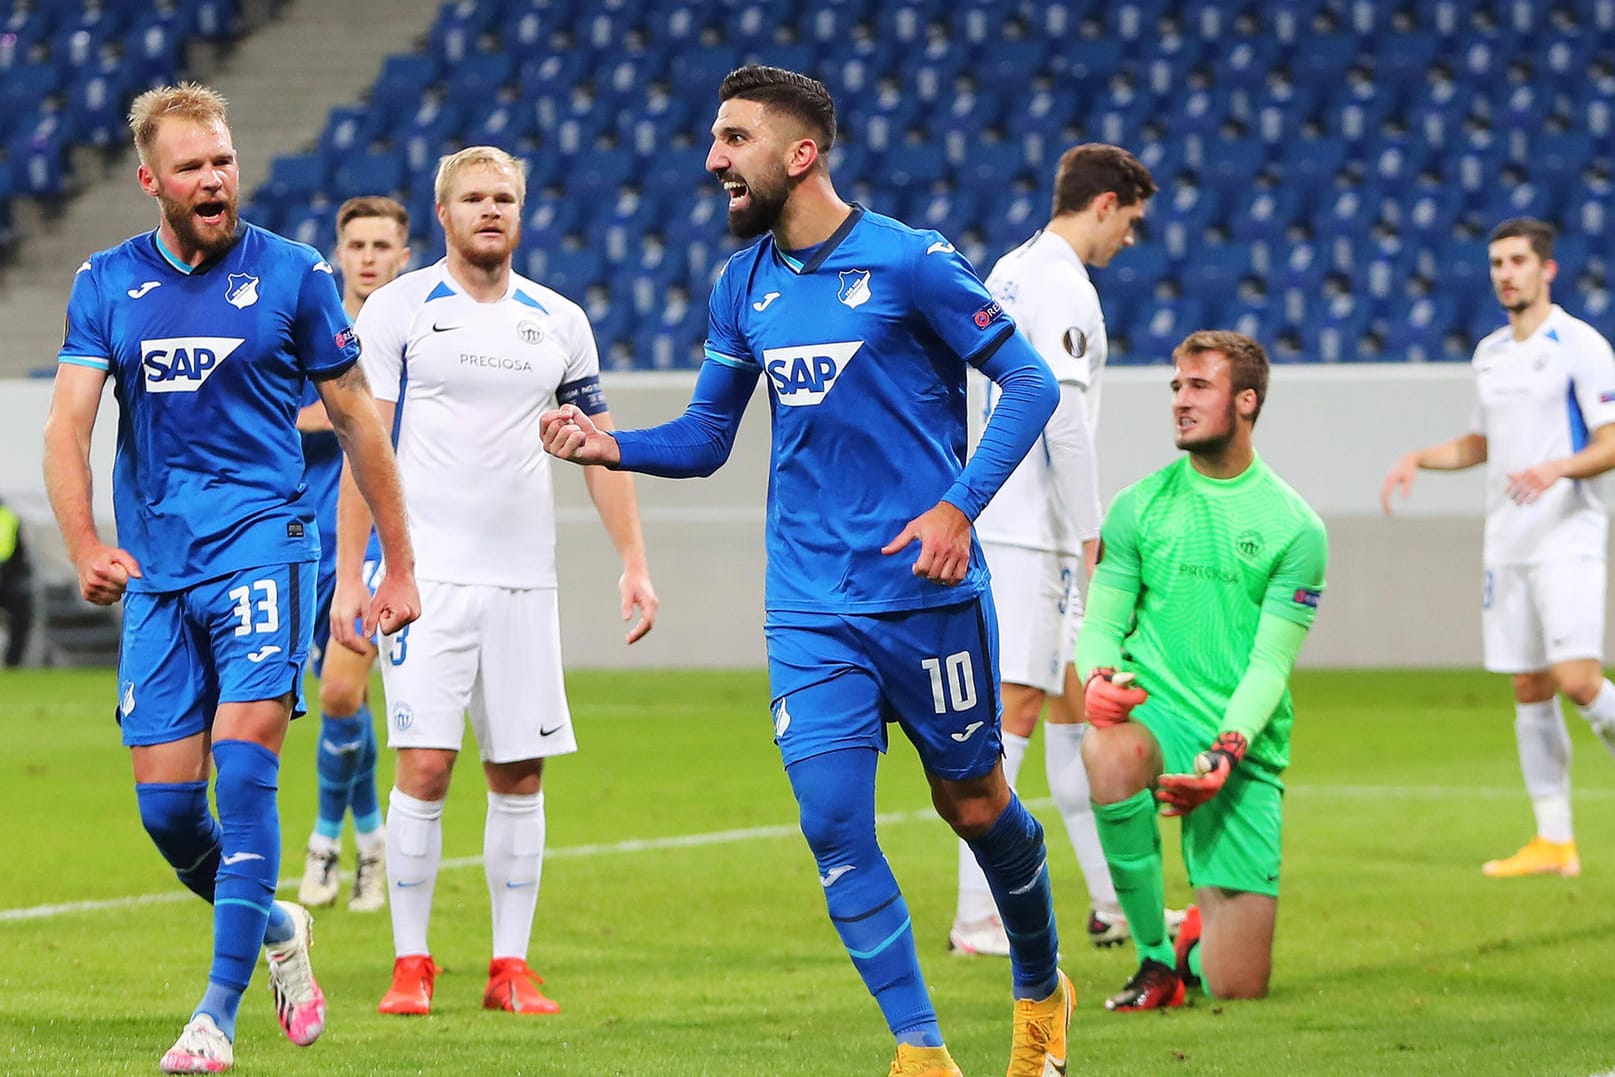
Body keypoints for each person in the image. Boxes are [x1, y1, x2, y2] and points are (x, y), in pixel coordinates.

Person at [540, 66, 1070, 1077]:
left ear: (800, 153)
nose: (712, 162)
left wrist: (959, 505)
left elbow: (1029, 383)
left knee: (976, 810)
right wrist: (609, 445)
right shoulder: (742, 286)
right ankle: (921, 1052)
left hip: (924, 598)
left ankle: (1041, 992)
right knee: (833, 826)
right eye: (713, 140)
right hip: (809, 607)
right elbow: (705, 437)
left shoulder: (911, 263)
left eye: (732, 140)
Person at [41, 83, 419, 1072]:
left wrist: (400, 562)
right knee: (167, 808)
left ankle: (215, 1016)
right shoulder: (105, 284)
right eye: (192, 167)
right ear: (151, 180)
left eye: (223, 161)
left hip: (263, 547)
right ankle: (277, 921)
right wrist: (85, 543)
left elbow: (358, 421)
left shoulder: (293, 275)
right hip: (159, 572)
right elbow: (68, 427)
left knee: (244, 771)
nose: (214, 180)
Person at [333, 145, 658, 1019]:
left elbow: (599, 447)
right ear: (441, 214)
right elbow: (364, 448)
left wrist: (633, 561)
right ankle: (412, 963)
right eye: (473, 197)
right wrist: (351, 576)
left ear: (521, 211)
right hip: (423, 579)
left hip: (523, 579)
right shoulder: (400, 308)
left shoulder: (558, 319)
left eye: (503, 197)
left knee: (519, 773)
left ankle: (509, 966)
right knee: (427, 767)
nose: (490, 209)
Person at [952, 143, 1168, 958]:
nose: (1128, 241)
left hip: (1002, 516)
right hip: (1029, 528)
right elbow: (1061, 421)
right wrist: (1089, 531)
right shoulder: (1064, 287)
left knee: (1078, 707)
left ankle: (1114, 901)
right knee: (1009, 713)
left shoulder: (1010, 269)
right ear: (1105, 203)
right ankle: (976, 918)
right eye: (1131, 222)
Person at [1077, 330, 1327, 1010]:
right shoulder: (1137, 507)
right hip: (1155, 715)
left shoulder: (1295, 528)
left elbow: (1269, 662)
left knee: (1238, 988)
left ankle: (1192, 943)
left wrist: (1227, 749)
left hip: (1239, 748)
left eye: (1198, 387)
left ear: (1245, 401)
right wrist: (1098, 678)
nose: (1179, 402)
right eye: (1176, 387)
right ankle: (1155, 959)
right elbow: (1100, 621)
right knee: (1103, 746)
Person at [1383, 217, 1615, 878]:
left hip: (1567, 535)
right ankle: (1553, 840)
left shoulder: (1578, 344)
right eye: (1495, 263)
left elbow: (1609, 439)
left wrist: (1555, 468)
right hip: (1506, 542)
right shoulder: (1489, 352)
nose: (1504, 273)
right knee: (1527, 683)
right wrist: (1417, 458)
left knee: (1577, 680)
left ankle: (1555, 836)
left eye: (1516, 260)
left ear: (1547, 269)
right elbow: (1478, 444)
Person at [295, 196, 413, 913]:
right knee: (345, 706)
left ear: (404, 254)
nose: (368, 256)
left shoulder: (411, 331)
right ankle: (372, 840)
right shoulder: (309, 325)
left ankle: (322, 843)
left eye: (382, 244)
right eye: (357, 243)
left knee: (340, 690)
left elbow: (371, 424)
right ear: (339, 252)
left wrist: (334, 413)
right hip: (303, 539)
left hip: (374, 541)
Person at [0, 497, 35, 667]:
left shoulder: (9, 517)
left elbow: (18, 551)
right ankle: (13, 660)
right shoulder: (10, 516)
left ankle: (13, 661)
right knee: (21, 618)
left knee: (21, 617)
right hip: (9, 578)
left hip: (8, 579)